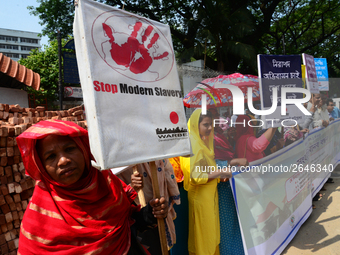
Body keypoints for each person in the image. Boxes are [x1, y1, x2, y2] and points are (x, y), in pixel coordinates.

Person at [16, 120, 168, 255]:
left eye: (69, 149)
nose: (63, 161)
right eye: (51, 156)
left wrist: (150, 214)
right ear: (42, 166)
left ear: (84, 149)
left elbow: (127, 224)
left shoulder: (108, 185)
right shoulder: (38, 217)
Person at [180, 109, 231, 255]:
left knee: (210, 236)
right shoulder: (193, 144)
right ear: (196, 125)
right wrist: (220, 172)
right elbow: (196, 176)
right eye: (206, 124)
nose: (210, 128)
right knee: (203, 239)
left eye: (211, 124)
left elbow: (207, 170)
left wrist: (218, 175)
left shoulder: (202, 142)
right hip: (201, 199)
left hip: (208, 197)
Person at [117, 160, 180, 254]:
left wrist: (161, 206)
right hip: (134, 223)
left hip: (157, 216)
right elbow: (115, 197)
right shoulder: (118, 162)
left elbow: (166, 171)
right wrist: (131, 188)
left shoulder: (158, 156)